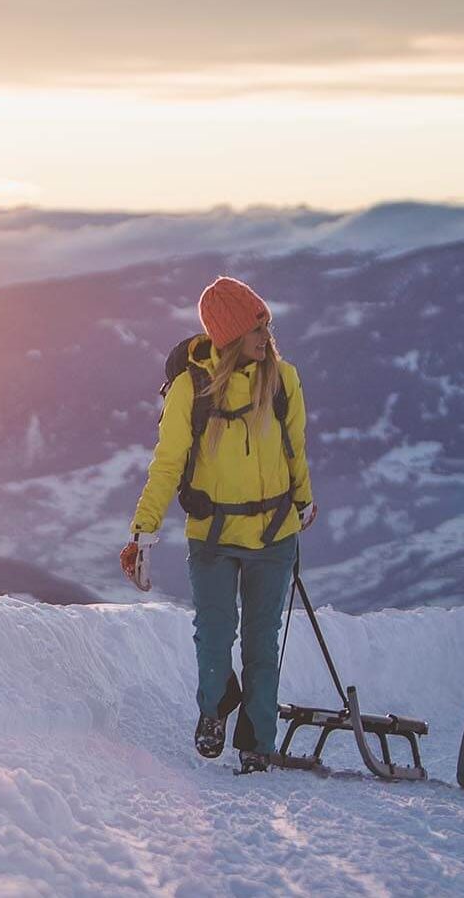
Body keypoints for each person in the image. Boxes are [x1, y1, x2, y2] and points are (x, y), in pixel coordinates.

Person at [122, 276, 317, 773]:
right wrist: (142, 532)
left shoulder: (284, 379)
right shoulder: (191, 389)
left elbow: (295, 448)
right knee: (213, 635)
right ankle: (214, 709)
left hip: (274, 534)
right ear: (229, 334)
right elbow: (167, 463)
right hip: (210, 535)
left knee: (260, 641)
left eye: (267, 325)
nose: (266, 337)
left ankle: (259, 742)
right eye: (257, 327)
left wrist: (304, 502)